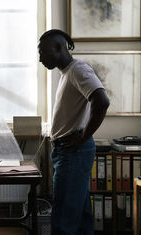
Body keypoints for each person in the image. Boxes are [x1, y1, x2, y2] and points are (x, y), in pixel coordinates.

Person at [38, 29, 110, 234]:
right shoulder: (67, 73)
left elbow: (102, 101)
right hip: (68, 151)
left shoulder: (78, 69)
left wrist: (84, 136)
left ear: (60, 48)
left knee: (63, 220)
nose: (40, 58)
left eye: (43, 52)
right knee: (79, 217)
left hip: (73, 152)